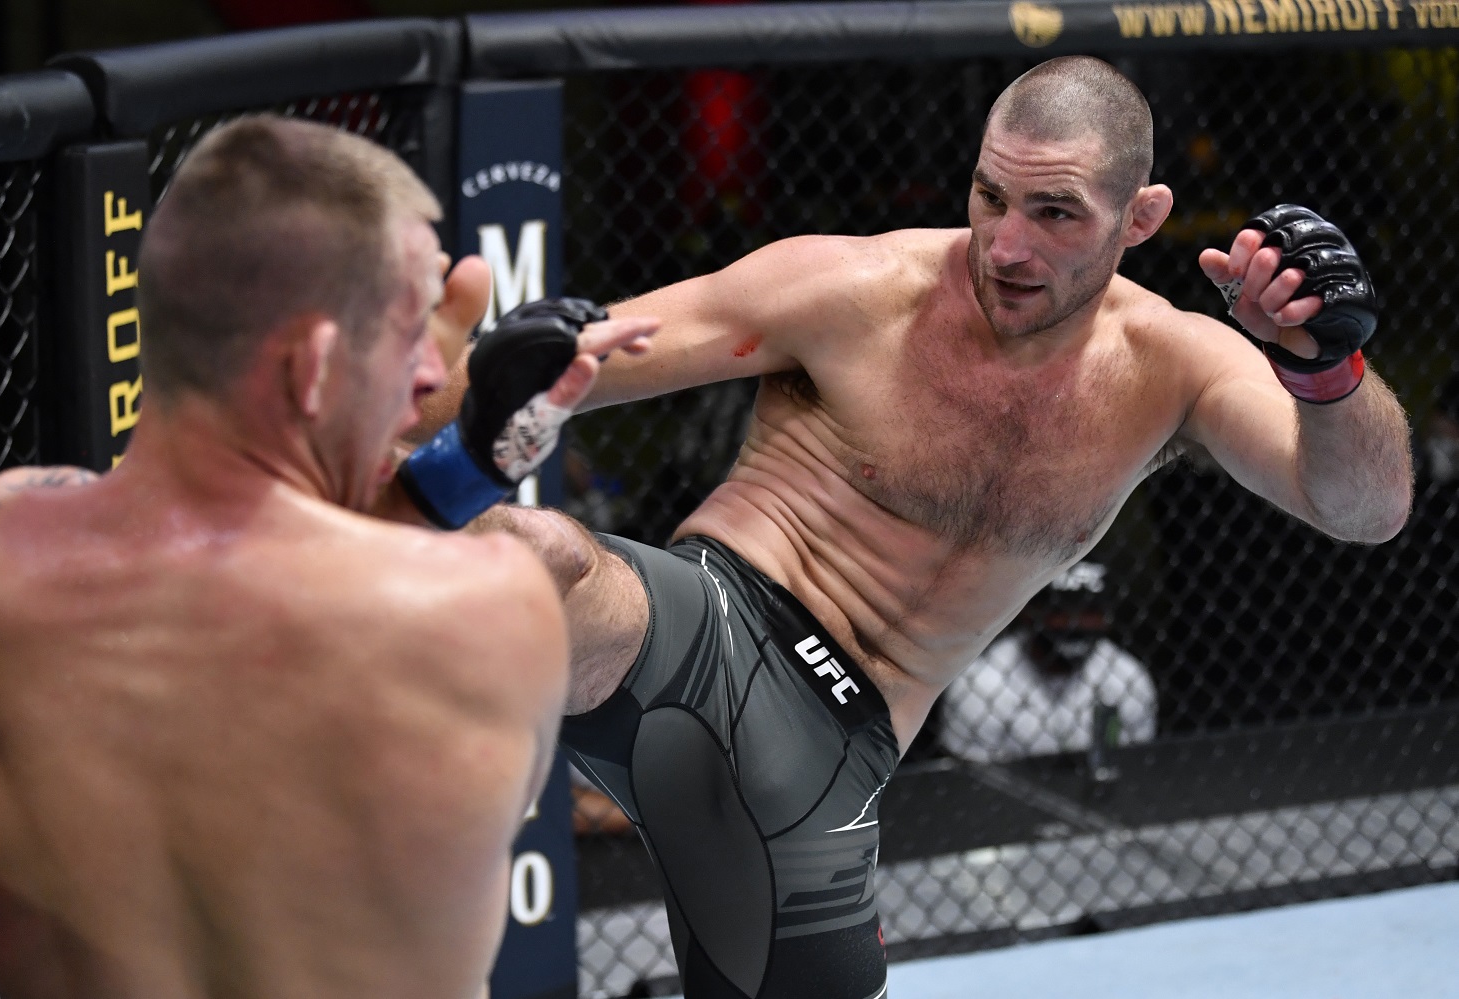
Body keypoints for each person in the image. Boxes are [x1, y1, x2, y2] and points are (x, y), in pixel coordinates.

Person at [392, 56, 1413, 999]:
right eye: (990, 196)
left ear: (1139, 217)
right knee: (537, 558)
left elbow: (1366, 511)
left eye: (1056, 212)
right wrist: (455, 383)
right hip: (694, 629)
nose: (1006, 247)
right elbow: (541, 376)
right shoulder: (850, 290)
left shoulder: (1174, 367)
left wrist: (1326, 371)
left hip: (837, 754)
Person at [0, 115, 653, 999]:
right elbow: (322, 607)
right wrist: (462, 472)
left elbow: (226, 595)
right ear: (315, 364)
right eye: (410, 340)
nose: (435, 380)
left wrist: (436, 460)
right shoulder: (489, 606)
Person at [936, 561, 1156, 764]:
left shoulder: (1127, 677)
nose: (1075, 623)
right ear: (1028, 612)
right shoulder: (982, 685)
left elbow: (1134, 770)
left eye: (1090, 611)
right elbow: (971, 786)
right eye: (1060, 611)